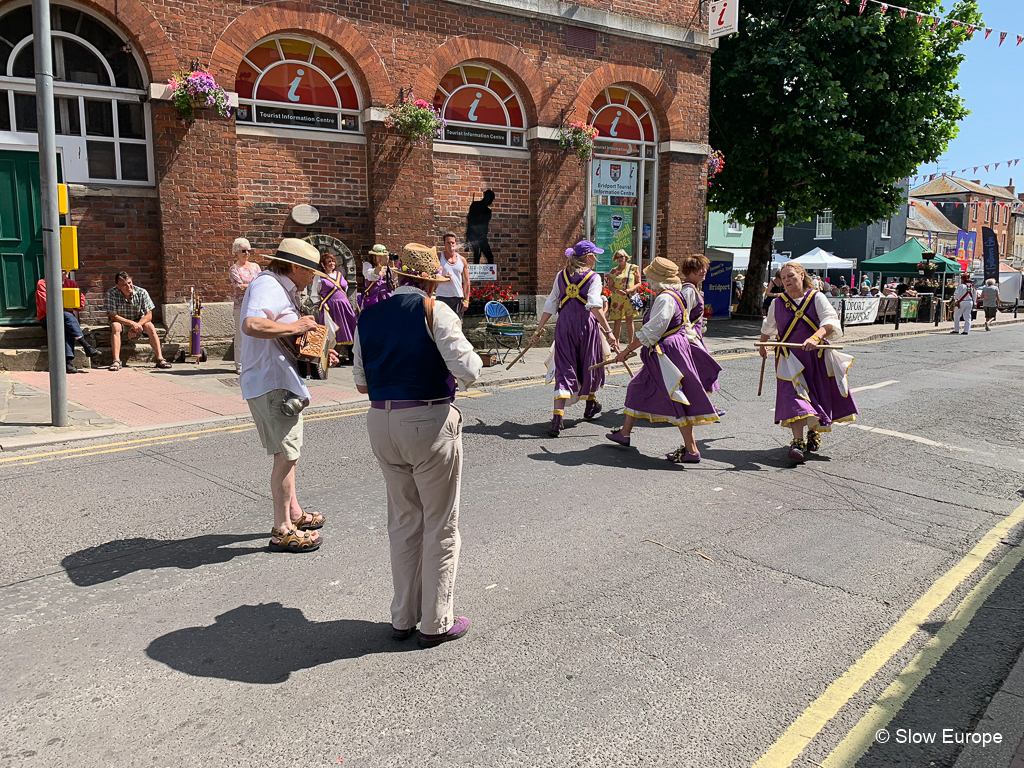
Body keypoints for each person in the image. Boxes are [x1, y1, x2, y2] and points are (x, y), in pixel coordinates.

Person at [353, 243, 482, 648]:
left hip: (381, 420)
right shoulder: (434, 309)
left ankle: (402, 616)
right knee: (441, 524)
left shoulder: (368, 315)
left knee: (404, 521)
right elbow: (469, 370)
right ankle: (435, 621)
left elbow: (360, 382)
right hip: (426, 418)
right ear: (429, 281)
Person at [240, 238, 334, 553]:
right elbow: (252, 324)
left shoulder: (276, 287)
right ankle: (282, 529)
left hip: (271, 381)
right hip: (272, 383)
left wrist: (316, 353)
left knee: (286, 453)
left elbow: (278, 336)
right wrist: (296, 326)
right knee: (287, 456)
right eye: (310, 271)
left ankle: (293, 514)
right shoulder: (268, 285)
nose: (313, 278)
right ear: (294, 267)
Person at [605, 257, 721, 463]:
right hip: (664, 350)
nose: (647, 281)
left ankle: (692, 450)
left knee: (676, 399)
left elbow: (653, 330)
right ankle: (624, 433)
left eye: (649, 277)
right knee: (636, 387)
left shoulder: (666, 298)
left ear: (656, 279)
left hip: (666, 353)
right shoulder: (674, 295)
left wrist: (626, 351)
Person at [759, 262, 858, 463]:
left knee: (815, 396)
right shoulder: (777, 303)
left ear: (801, 275)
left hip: (815, 356)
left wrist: (815, 338)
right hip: (788, 358)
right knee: (793, 396)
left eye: (790, 276)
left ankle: (814, 431)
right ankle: (797, 442)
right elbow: (768, 327)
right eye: (783, 277)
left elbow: (830, 322)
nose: (786, 281)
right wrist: (763, 345)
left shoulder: (817, 298)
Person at [530, 241, 619, 437]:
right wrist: (609, 332)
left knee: (565, 368)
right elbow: (595, 307)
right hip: (586, 326)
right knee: (589, 364)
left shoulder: (560, 276)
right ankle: (589, 405)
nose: (596, 258)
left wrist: (538, 330)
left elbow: (551, 304)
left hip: (564, 326)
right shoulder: (594, 278)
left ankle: (557, 418)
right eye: (594, 255)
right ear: (588, 257)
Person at [678, 254, 725, 415]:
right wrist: (690, 339)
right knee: (700, 372)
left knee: (698, 373)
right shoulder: (688, 291)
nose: (704, 271)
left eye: (705, 267)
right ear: (690, 271)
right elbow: (682, 318)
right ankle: (701, 407)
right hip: (690, 340)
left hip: (695, 338)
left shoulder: (694, 288)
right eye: (700, 268)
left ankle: (701, 406)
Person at [103, 271, 171, 370]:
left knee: (150, 326)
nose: (128, 286)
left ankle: (160, 358)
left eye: (129, 283)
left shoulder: (142, 292)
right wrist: (131, 323)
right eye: (124, 285)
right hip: (121, 321)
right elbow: (113, 316)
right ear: (118, 286)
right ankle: (116, 361)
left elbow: (149, 315)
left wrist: (136, 326)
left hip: (139, 321)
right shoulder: (111, 293)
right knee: (115, 326)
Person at [35, 271, 100, 373]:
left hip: (67, 321)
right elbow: (46, 305)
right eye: (62, 270)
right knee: (67, 317)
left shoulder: (71, 284)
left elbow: (80, 303)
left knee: (65, 326)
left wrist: (70, 304)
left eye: (67, 270)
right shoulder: (43, 283)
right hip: (47, 318)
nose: (66, 273)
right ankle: (85, 346)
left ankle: (68, 363)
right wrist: (66, 305)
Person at [313, 251, 358, 362]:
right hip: (330, 307)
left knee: (349, 329)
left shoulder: (339, 274)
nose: (332, 263)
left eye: (333, 261)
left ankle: (349, 357)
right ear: (323, 264)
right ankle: (332, 357)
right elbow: (314, 293)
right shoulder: (319, 277)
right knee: (334, 332)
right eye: (329, 261)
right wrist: (321, 305)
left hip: (344, 305)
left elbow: (345, 289)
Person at [229, 237, 261, 374]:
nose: (246, 253)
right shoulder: (234, 269)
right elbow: (239, 287)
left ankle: (254, 362)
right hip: (241, 305)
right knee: (241, 335)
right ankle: (239, 364)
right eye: (243, 251)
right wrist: (253, 286)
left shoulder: (255, 267)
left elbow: (261, 283)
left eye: (248, 250)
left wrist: (250, 286)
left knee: (256, 334)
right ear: (236, 252)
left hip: (255, 304)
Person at [606, 249, 641, 346]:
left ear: (626, 257)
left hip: (629, 297)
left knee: (629, 320)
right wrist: (617, 291)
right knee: (617, 320)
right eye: (618, 257)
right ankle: (616, 342)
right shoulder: (613, 271)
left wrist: (630, 290)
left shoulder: (633, 268)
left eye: (621, 256)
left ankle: (631, 342)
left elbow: (639, 282)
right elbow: (610, 286)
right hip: (617, 298)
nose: (620, 259)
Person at [435, 232, 470, 317]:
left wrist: (466, 300)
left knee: (457, 326)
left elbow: (467, 281)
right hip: (442, 297)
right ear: (444, 244)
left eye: (452, 243)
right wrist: (443, 278)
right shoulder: (438, 258)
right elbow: (432, 276)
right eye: (448, 243)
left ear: (455, 244)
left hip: (458, 297)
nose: (450, 245)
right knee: (442, 325)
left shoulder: (462, 260)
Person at [361, 244, 396, 309]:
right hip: (374, 299)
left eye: (382, 256)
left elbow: (394, 280)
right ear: (373, 256)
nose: (381, 258)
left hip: (387, 298)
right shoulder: (367, 265)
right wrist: (381, 264)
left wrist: (392, 267)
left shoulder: (387, 267)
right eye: (379, 256)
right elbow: (371, 276)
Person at [465, 189, 495, 264]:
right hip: (474, 235)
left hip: (481, 236)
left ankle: (490, 274)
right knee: (477, 254)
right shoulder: (476, 206)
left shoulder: (487, 211)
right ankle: (476, 275)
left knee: (489, 256)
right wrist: (467, 239)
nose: (491, 201)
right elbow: (470, 221)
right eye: (491, 199)